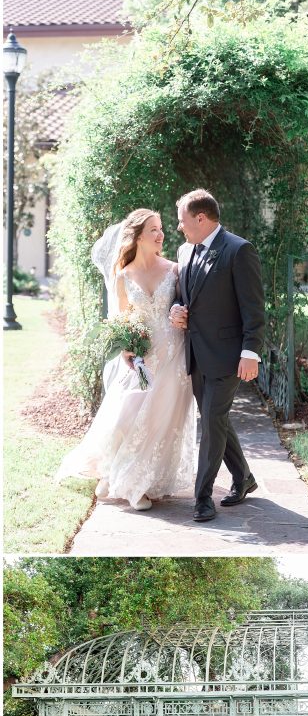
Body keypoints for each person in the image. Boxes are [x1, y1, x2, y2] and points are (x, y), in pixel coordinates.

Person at [57, 210, 196, 510]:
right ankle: (116, 472)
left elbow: (184, 305)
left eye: (161, 229)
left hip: (173, 354)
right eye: (153, 230)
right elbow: (120, 321)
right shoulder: (123, 275)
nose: (161, 235)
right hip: (142, 357)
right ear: (137, 236)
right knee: (128, 416)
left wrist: (180, 314)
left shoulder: (174, 269)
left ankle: (140, 482)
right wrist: (125, 349)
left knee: (161, 418)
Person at [169, 189, 265, 523]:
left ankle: (202, 499)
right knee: (217, 419)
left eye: (183, 221)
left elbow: (254, 310)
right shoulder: (185, 251)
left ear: (201, 218)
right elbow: (182, 297)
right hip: (196, 354)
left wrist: (250, 352)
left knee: (210, 422)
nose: (180, 228)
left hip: (226, 356)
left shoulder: (239, 250)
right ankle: (244, 478)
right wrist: (176, 311)